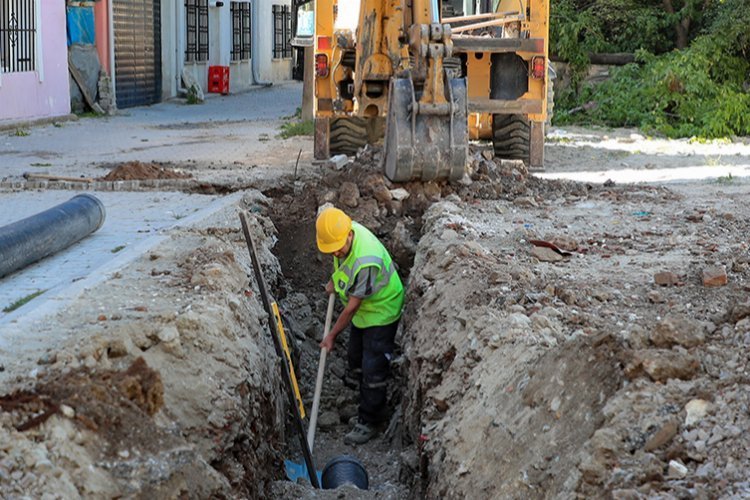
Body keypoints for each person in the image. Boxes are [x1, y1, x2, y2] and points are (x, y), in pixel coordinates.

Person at [316, 206, 405, 445]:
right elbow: (345, 268)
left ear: (349, 235)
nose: (335, 254)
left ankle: (370, 420)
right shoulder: (342, 236)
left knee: (373, 366)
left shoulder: (367, 259)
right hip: (365, 311)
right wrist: (335, 281)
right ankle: (358, 396)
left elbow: (352, 307)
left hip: (381, 309)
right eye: (331, 251)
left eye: (337, 249)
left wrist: (331, 335)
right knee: (355, 355)